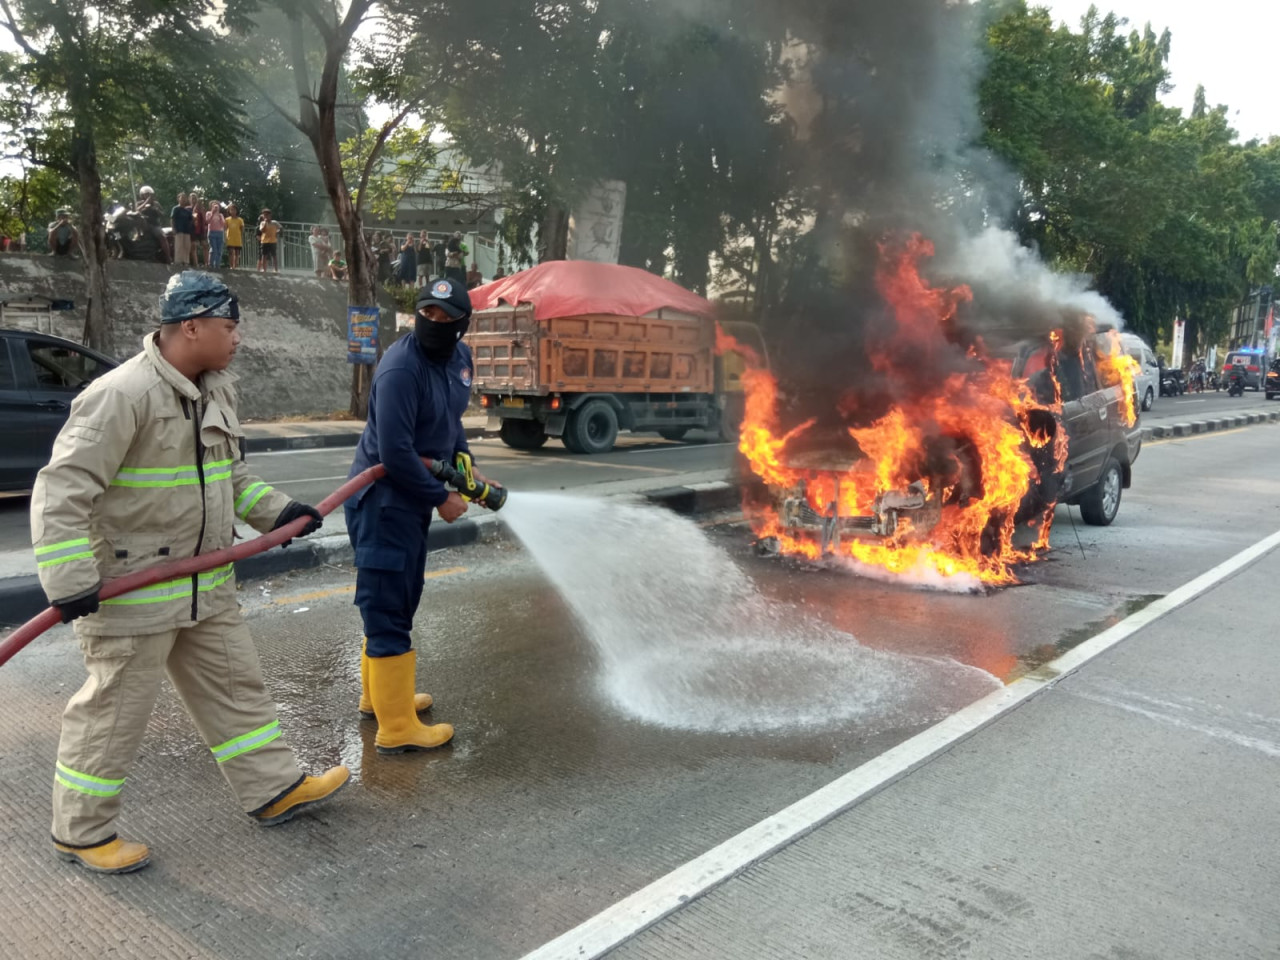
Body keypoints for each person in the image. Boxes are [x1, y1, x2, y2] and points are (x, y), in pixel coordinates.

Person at [30, 271, 348, 875]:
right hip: (134, 592)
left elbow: (227, 479)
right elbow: (61, 490)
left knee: (236, 689)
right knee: (113, 714)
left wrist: (278, 511)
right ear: (191, 326)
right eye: (229, 327)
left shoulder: (215, 391)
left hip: (206, 584)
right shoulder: (122, 394)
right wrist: (69, 579)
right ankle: (81, 831)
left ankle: (273, 787)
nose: (237, 339)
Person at [344, 278, 499, 754]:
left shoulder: (460, 361)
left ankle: (380, 700)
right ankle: (397, 729)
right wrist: (441, 496)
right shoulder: (400, 369)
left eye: (444, 317)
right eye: (426, 313)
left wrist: (463, 460)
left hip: (411, 499)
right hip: (384, 501)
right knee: (388, 605)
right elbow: (394, 450)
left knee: (401, 598)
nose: (433, 323)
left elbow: (450, 420)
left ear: (461, 324)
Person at [170, 193, 194, 267]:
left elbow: (191, 219)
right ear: (178, 199)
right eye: (182, 198)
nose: (183, 199)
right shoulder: (176, 208)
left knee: (187, 246)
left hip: (187, 230)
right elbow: (172, 219)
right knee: (179, 246)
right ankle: (178, 261)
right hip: (179, 229)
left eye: (184, 198)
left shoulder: (187, 210)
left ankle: (186, 261)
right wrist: (173, 228)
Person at [206, 201, 226, 269]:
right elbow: (208, 221)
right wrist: (212, 213)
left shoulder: (221, 215)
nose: (216, 208)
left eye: (217, 207)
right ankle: (211, 264)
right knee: (213, 249)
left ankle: (217, 265)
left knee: (219, 250)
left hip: (220, 233)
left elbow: (223, 224)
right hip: (212, 232)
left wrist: (220, 217)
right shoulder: (208, 213)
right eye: (214, 206)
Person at [224, 204, 244, 270]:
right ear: (229, 211)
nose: (233, 211)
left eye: (234, 210)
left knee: (237, 252)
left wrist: (240, 236)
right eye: (231, 210)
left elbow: (242, 229)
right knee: (230, 252)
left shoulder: (240, 220)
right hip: (230, 237)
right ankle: (231, 266)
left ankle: (235, 266)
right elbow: (225, 228)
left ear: (237, 211)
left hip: (237, 238)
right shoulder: (227, 219)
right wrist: (225, 236)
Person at [190, 193, 207, 267]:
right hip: (193, 229)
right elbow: (193, 218)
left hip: (201, 229)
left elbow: (205, 219)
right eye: (192, 198)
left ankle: (207, 263)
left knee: (205, 245)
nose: (194, 200)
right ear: (189, 199)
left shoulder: (201, 208)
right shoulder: (189, 208)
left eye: (195, 198)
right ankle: (196, 264)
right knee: (193, 245)